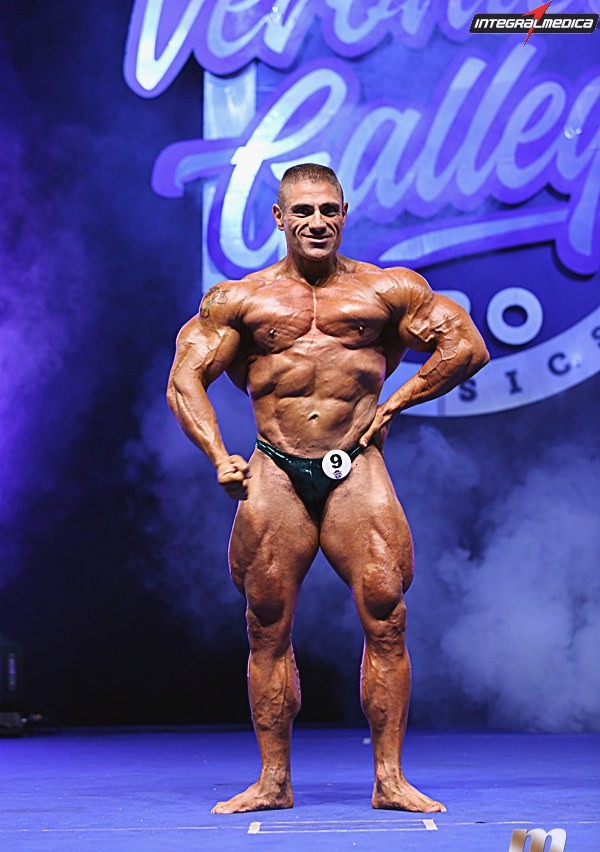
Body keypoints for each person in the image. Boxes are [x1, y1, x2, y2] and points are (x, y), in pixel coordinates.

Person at [167, 163, 489, 815]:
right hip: (275, 467)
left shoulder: (385, 291)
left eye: (328, 210)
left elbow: (466, 346)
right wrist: (220, 456)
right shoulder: (240, 300)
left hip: (355, 465)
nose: (317, 222)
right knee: (266, 625)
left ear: (344, 214)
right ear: (279, 219)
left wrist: (394, 402)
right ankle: (273, 781)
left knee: (387, 614)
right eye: (303, 211)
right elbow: (183, 379)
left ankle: (389, 780)